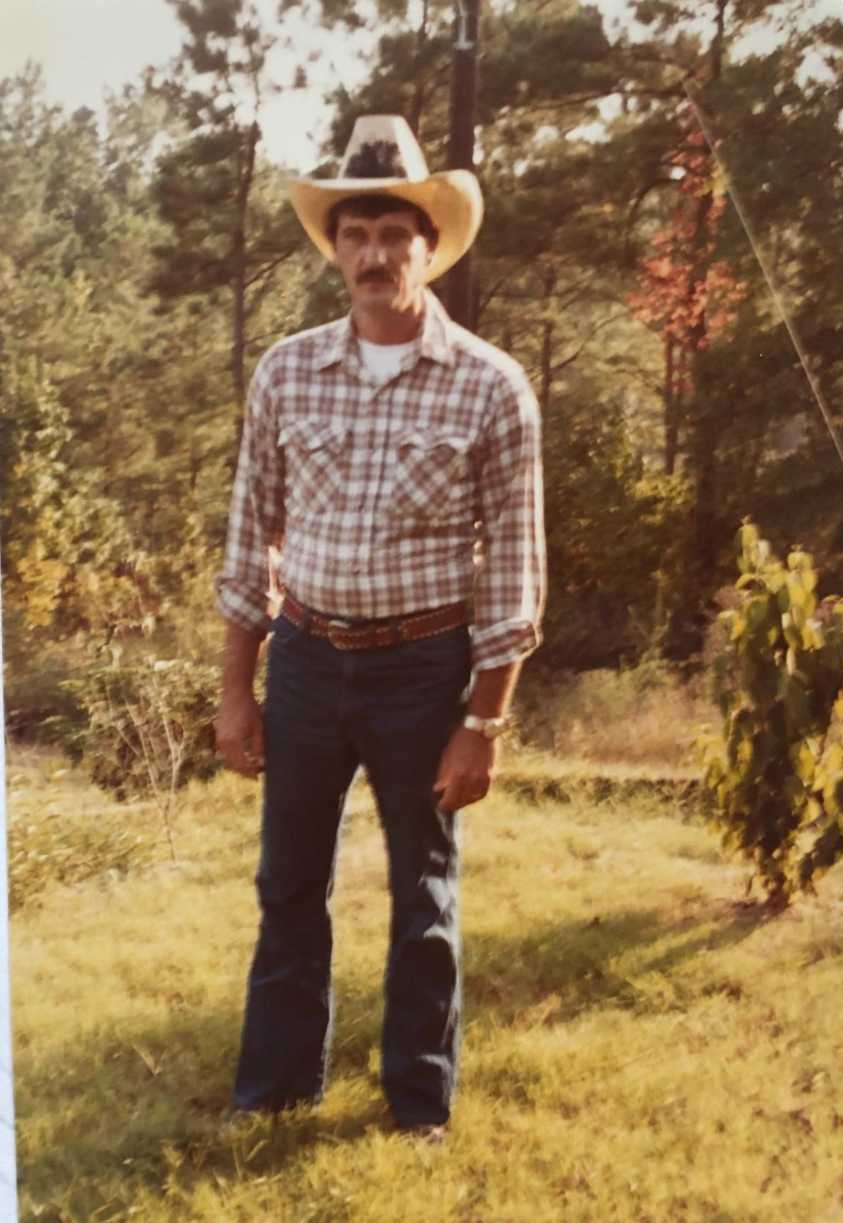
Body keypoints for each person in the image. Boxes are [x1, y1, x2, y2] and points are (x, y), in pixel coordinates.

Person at [214, 114, 546, 1138]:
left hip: (423, 672)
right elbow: (250, 535)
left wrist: (481, 722)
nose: (372, 254)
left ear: (429, 246)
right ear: (336, 249)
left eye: (393, 234)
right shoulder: (287, 370)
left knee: (424, 897)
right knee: (288, 885)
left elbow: (516, 575)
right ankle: (273, 1091)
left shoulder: (491, 385)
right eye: (354, 233)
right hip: (308, 659)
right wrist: (238, 685)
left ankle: (416, 1105)